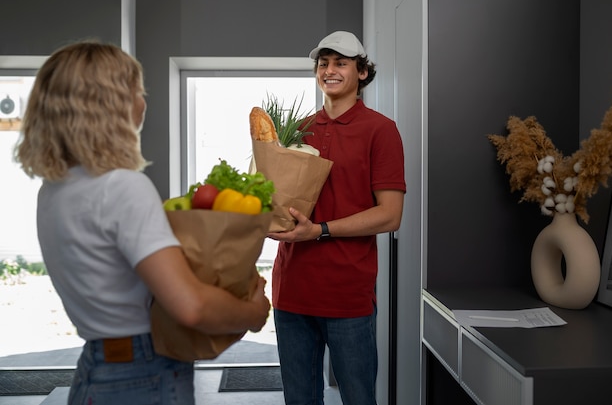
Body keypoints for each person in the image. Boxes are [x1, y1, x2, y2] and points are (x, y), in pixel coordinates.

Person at [13, 41, 270, 405]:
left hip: (96, 369)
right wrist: (253, 313)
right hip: (144, 373)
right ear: (110, 104)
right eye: (137, 91)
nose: (143, 102)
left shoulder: (53, 190)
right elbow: (190, 306)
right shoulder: (122, 187)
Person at [268, 31, 406, 405]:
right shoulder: (298, 130)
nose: (329, 70)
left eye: (340, 63)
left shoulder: (381, 130)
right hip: (291, 291)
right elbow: (284, 198)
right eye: (323, 63)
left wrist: (320, 231)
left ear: (361, 72)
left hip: (348, 295)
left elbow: (390, 215)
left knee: (358, 399)